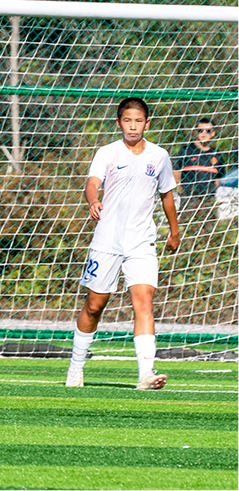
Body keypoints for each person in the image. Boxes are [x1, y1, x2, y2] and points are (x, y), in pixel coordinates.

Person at [66, 98, 180, 390]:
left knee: (144, 302)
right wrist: (94, 200)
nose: (133, 126)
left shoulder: (159, 156)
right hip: (107, 241)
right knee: (94, 306)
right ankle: (76, 367)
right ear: (118, 123)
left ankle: (146, 374)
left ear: (147, 123)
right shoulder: (107, 152)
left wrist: (174, 231)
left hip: (142, 241)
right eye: (127, 120)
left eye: (138, 121)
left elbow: (167, 195)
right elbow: (92, 183)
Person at [173, 118, 225, 225]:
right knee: (187, 227)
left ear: (213, 133)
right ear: (196, 132)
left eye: (208, 131)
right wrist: (183, 190)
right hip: (189, 198)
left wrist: (212, 190)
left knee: (208, 228)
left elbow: (219, 178)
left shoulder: (217, 155)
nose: (204, 133)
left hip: (208, 199)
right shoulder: (186, 151)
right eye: (200, 130)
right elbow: (176, 173)